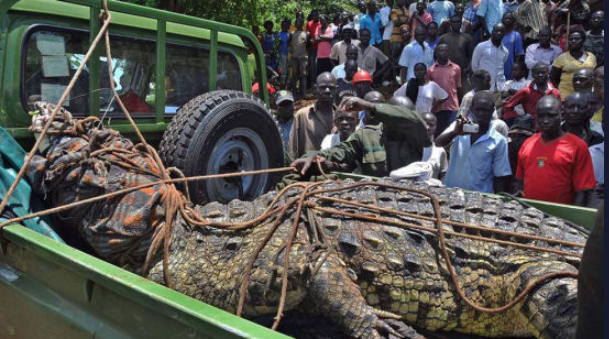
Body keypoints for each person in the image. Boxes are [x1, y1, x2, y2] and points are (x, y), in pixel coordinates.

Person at [291, 96, 431, 177]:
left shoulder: (417, 136)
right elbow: (339, 151)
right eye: (394, 118)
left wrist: (370, 106)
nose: (399, 123)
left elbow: (415, 121)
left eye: (400, 119)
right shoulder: (367, 135)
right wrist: (313, 155)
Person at [514, 95, 595, 206]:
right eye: (541, 116)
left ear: (561, 115)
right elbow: (520, 181)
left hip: (560, 217)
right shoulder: (527, 143)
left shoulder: (578, 146)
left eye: (551, 115)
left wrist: (573, 218)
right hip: (529, 214)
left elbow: (582, 191)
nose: (545, 120)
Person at [437, 90, 512, 193]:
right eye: (478, 110)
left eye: (485, 110)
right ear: (472, 109)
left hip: (479, 198)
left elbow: (499, 176)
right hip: (451, 193)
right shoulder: (459, 128)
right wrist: (454, 133)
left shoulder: (499, 141)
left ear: (492, 111)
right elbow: (437, 144)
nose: (481, 114)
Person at [287, 72, 337, 161]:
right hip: (308, 171)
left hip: (337, 172)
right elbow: (292, 149)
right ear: (315, 89)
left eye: (331, 88)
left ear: (336, 90)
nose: (327, 91)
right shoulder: (302, 115)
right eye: (323, 87)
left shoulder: (343, 117)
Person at [550, 29, 597, 100]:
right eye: (571, 39)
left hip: (587, 96)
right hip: (566, 96)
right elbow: (553, 78)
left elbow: (595, 75)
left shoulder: (591, 57)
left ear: (583, 41)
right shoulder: (561, 58)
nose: (573, 41)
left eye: (576, 39)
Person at [427, 43, 462, 134]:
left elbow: (458, 88)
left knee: (452, 132)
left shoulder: (456, 68)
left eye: (446, 51)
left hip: (452, 106)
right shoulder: (431, 70)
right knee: (438, 133)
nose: (444, 53)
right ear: (437, 53)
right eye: (441, 51)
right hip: (437, 107)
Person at [438, 14, 474, 97]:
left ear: (461, 23)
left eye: (458, 22)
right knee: (446, 96)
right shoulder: (443, 38)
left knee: (466, 96)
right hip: (446, 73)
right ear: (450, 23)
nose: (456, 24)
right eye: (454, 22)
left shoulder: (467, 38)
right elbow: (437, 55)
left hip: (462, 74)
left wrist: (468, 69)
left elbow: (472, 56)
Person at [472, 23, 509, 93]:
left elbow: (502, 64)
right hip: (484, 87)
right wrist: (482, 81)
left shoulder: (505, 51)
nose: (499, 33)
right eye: (496, 31)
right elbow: (474, 67)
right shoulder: (481, 47)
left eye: (501, 31)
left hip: (500, 87)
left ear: (504, 34)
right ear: (492, 32)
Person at [421, 112, 449, 180]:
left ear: (436, 127)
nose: (427, 127)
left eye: (431, 125)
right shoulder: (408, 146)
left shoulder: (440, 151)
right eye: (424, 123)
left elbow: (443, 175)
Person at [501, 13, 525, 81]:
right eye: (506, 18)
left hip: (509, 66)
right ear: (502, 20)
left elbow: (519, 54)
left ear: (513, 21)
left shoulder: (516, 35)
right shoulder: (498, 34)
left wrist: (514, 70)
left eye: (510, 19)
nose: (507, 20)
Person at [290, 15, 308, 98]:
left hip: (303, 58)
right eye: (296, 22)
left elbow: (308, 45)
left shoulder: (306, 34)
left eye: (299, 22)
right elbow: (289, 43)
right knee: (294, 75)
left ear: (302, 23)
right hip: (294, 57)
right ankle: (294, 93)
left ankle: (303, 94)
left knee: (303, 75)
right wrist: (291, 49)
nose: (297, 24)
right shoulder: (292, 34)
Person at [307, 10, 321, 88]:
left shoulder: (321, 23)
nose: (315, 16)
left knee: (318, 65)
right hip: (312, 48)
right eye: (313, 15)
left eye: (316, 15)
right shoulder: (309, 24)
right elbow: (308, 36)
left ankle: (320, 82)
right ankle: (313, 84)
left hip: (320, 48)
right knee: (312, 66)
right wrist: (309, 40)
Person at [278, 18, 292, 88]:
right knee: (283, 70)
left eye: (285, 25)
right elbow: (277, 45)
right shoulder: (278, 34)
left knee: (289, 69)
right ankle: (282, 84)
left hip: (289, 54)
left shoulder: (290, 34)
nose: (284, 26)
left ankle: (288, 84)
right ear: (281, 26)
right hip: (282, 54)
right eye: (283, 25)